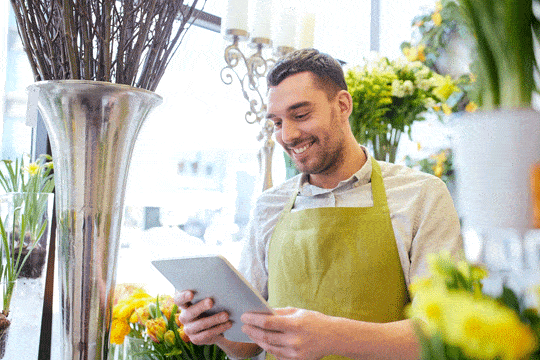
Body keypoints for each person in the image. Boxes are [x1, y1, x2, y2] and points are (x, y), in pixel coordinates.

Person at [174, 48, 462, 360]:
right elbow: (250, 343)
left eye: (300, 115)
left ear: (342, 105)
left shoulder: (421, 195)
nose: (289, 134)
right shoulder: (269, 206)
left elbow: (442, 331)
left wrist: (333, 337)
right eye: (277, 122)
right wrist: (215, 330)